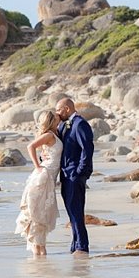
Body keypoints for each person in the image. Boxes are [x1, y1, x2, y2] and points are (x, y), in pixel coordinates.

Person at [14, 111, 62, 257]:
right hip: (43, 176)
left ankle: (40, 257)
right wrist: (37, 165)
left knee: (42, 215)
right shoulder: (49, 135)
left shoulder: (55, 133)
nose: (58, 116)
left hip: (48, 176)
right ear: (52, 121)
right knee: (38, 215)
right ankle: (39, 257)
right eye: (56, 116)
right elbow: (31, 146)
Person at [55, 98, 95, 255]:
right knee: (71, 211)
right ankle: (75, 244)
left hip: (75, 175)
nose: (57, 113)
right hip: (66, 174)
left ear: (66, 109)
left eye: (58, 110)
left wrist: (80, 171)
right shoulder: (65, 125)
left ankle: (81, 246)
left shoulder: (80, 124)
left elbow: (87, 148)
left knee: (76, 210)